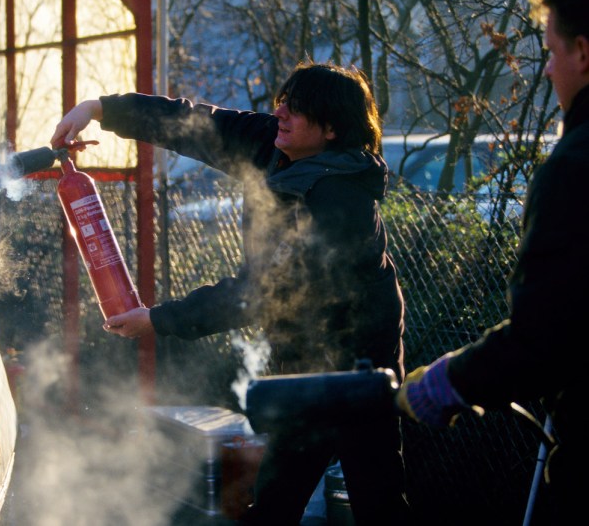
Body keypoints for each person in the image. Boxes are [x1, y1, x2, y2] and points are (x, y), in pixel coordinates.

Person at [52, 62, 410, 525]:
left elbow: (261, 292)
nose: (280, 112)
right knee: (279, 493)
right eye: (282, 100)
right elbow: (194, 123)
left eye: (296, 109)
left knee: (376, 495)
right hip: (301, 357)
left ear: (331, 130)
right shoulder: (272, 143)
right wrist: (99, 109)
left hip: (361, 361)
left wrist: (158, 320)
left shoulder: (339, 202)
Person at [396, 0, 589, 525]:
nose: (547, 69)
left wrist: (446, 383)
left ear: (582, 51)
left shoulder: (575, 169)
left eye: (552, 51)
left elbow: (543, 339)